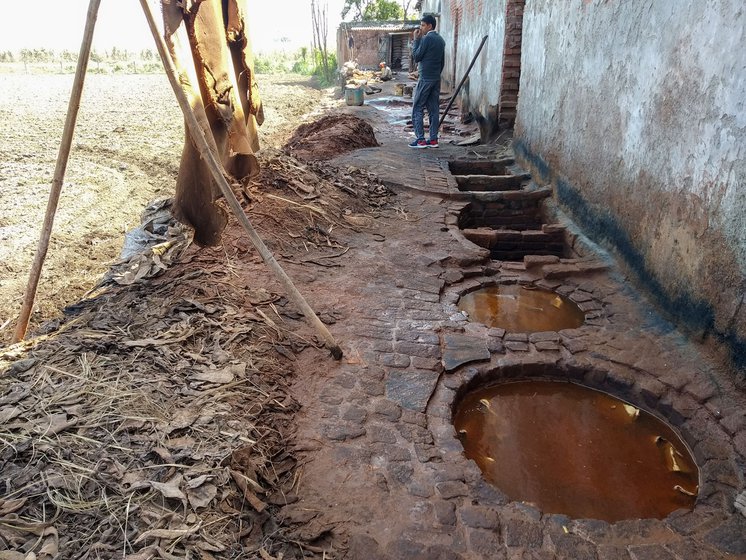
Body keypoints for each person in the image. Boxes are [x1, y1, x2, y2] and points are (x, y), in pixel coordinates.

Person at [409, 14, 445, 148]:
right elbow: (442, 62)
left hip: (425, 79)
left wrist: (416, 40)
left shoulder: (426, 39)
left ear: (430, 26)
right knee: (433, 109)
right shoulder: (441, 40)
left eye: (423, 25)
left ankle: (420, 140)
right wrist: (436, 74)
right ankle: (434, 139)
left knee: (417, 108)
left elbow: (417, 57)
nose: (421, 28)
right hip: (435, 78)